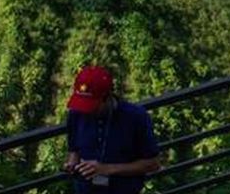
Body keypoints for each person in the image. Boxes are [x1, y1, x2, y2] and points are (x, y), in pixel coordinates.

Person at [62, 65, 162, 193]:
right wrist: (72, 164)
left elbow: (153, 164)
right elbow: (74, 149)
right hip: (85, 189)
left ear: (107, 97)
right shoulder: (76, 113)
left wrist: (106, 169)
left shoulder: (136, 117)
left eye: (91, 106)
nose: (86, 112)